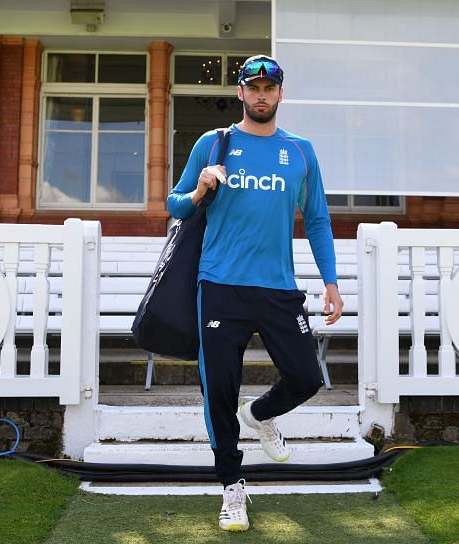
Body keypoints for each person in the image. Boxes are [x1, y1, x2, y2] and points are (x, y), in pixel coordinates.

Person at [167, 54, 343, 532]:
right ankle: (232, 486)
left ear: (280, 94)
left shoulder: (301, 151)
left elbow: (319, 220)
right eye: (253, 86)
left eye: (270, 87)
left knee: (307, 377)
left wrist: (330, 281)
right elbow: (174, 203)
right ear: (240, 92)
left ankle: (261, 414)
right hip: (220, 285)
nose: (261, 94)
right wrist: (201, 189)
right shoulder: (214, 144)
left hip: (279, 287)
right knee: (217, 390)